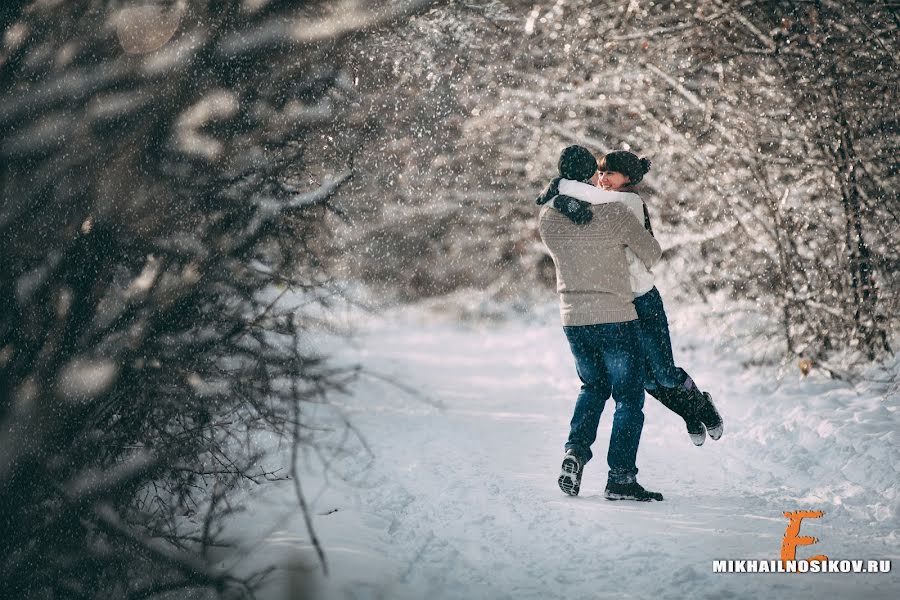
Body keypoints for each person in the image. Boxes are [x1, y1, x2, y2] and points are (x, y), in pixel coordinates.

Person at [551, 150, 724, 446]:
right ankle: (688, 414)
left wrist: (556, 191)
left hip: (643, 299)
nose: (602, 180)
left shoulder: (626, 201)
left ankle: (702, 406)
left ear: (628, 179)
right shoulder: (605, 202)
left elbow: (584, 200)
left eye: (609, 174)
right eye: (600, 173)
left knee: (664, 373)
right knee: (645, 378)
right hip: (620, 304)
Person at [537, 145, 665, 501]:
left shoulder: (547, 218)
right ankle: (621, 478)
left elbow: (571, 214)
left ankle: (575, 452)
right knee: (628, 398)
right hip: (616, 316)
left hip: (574, 319)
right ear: (591, 176)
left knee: (593, 388)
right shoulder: (613, 214)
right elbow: (652, 253)